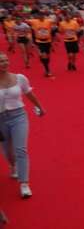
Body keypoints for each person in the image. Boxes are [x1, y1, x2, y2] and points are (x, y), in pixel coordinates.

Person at [0, 52, 45, 198]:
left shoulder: (19, 78)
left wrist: (40, 106)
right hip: (1, 119)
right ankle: (12, 166)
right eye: (1, 61)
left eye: (6, 60)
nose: (5, 63)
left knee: (21, 150)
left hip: (19, 116)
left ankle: (24, 183)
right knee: (8, 151)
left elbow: (28, 93)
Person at [28, 9, 55, 77]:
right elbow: (25, 20)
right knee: (44, 55)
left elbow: (55, 21)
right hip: (39, 41)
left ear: (44, 16)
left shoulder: (48, 21)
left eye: (42, 15)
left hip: (48, 41)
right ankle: (47, 70)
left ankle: (45, 63)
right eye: (39, 15)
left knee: (47, 57)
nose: (41, 17)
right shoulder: (34, 21)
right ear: (37, 16)